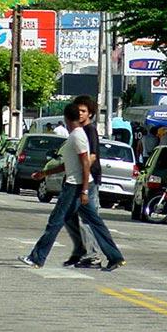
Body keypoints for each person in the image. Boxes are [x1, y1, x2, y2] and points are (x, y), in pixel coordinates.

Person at [17, 104, 125, 271]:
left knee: (55, 222)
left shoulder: (77, 136)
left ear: (66, 118)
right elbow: (69, 165)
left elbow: (85, 164)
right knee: (95, 223)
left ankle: (36, 258)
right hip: (78, 185)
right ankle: (115, 257)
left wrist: (84, 190)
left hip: (75, 187)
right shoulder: (75, 135)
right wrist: (45, 173)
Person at [63, 95, 102, 268]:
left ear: (90, 114)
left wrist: (82, 180)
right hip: (77, 180)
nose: (80, 113)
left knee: (87, 219)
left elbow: (91, 157)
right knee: (69, 216)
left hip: (89, 180)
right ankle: (81, 250)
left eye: (83, 111)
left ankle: (93, 256)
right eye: (77, 110)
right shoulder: (77, 131)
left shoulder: (89, 130)